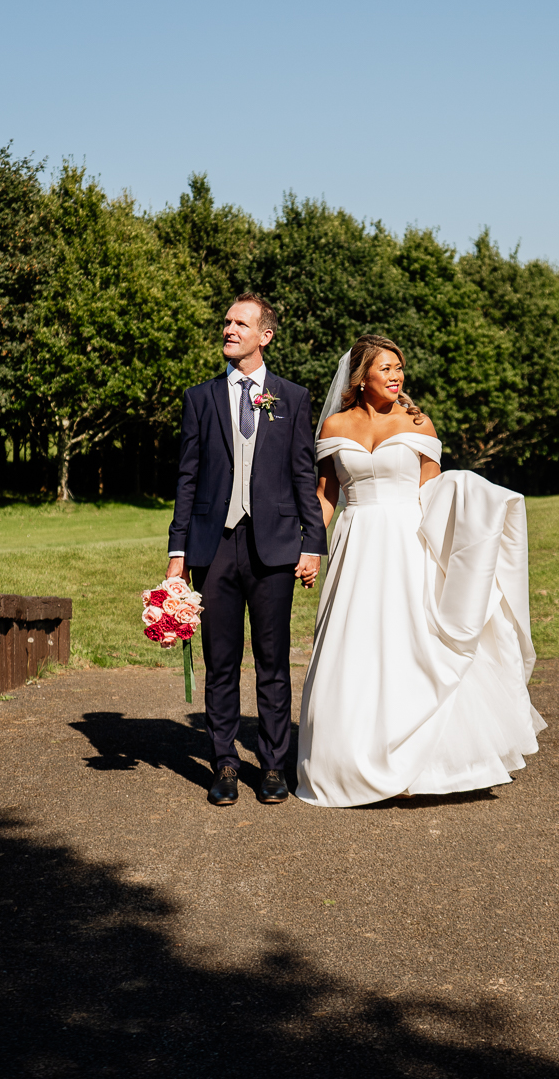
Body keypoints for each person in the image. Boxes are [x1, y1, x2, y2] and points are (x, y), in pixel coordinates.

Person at [295, 334, 544, 808]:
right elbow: (326, 495)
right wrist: (311, 548)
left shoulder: (418, 422)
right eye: (386, 368)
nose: (396, 376)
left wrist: (478, 502)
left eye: (399, 368)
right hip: (355, 544)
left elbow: (434, 493)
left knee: (411, 645)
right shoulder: (334, 424)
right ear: (361, 376)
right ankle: (349, 758)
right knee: (355, 647)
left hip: (407, 544)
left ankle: (426, 763)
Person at [166, 294, 325, 807]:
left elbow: (305, 476)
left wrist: (312, 545)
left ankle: (274, 767)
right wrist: (177, 552)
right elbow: (187, 479)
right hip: (214, 548)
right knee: (221, 661)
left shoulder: (293, 398)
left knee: (274, 662)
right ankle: (226, 765)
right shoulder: (200, 398)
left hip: (275, 548)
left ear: (265, 335)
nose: (229, 329)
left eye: (240, 323)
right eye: (227, 322)